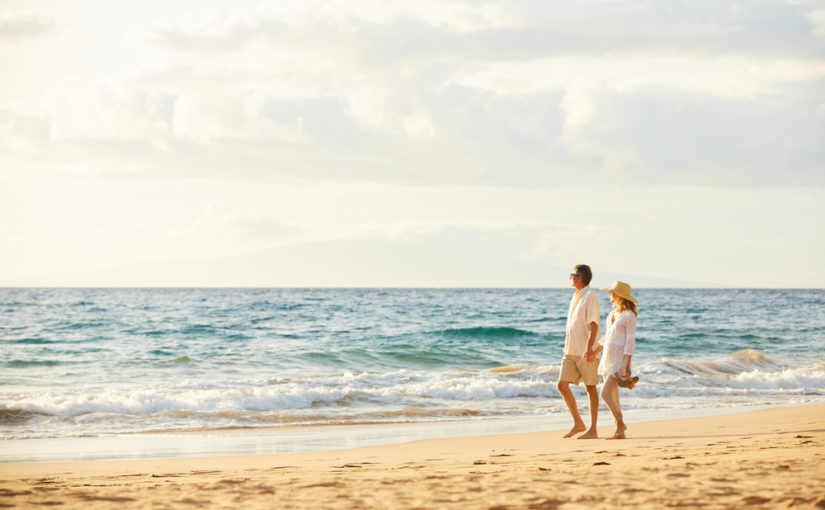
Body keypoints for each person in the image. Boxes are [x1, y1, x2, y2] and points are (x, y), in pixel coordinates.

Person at [556, 264, 601, 439]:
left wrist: (590, 350)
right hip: (570, 351)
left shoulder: (590, 296)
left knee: (590, 388)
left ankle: (593, 429)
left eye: (572, 275)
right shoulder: (576, 297)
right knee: (561, 385)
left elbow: (594, 325)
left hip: (585, 352)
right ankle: (578, 423)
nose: (570, 278)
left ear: (579, 277)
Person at [593, 281, 638, 440]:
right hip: (608, 357)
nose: (609, 295)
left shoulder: (629, 315)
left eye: (611, 292)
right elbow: (607, 337)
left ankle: (620, 423)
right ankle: (619, 431)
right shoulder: (612, 314)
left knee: (604, 394)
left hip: (619, 359)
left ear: (619, 295)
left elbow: (630, 340)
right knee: (613, 395)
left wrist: (627, 364)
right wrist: (595, 352)